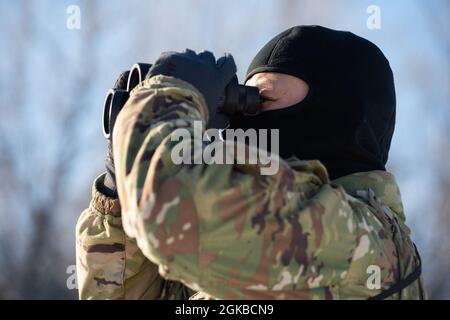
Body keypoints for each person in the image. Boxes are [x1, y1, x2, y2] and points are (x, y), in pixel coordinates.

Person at [76, 25, 426, 299]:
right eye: (245, 101)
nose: (243, 120)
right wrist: (117, 189)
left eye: (263, 100)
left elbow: (173, 222)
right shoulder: (230, 254)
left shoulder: (366, 243)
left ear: (335, 114)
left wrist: (164, 104)